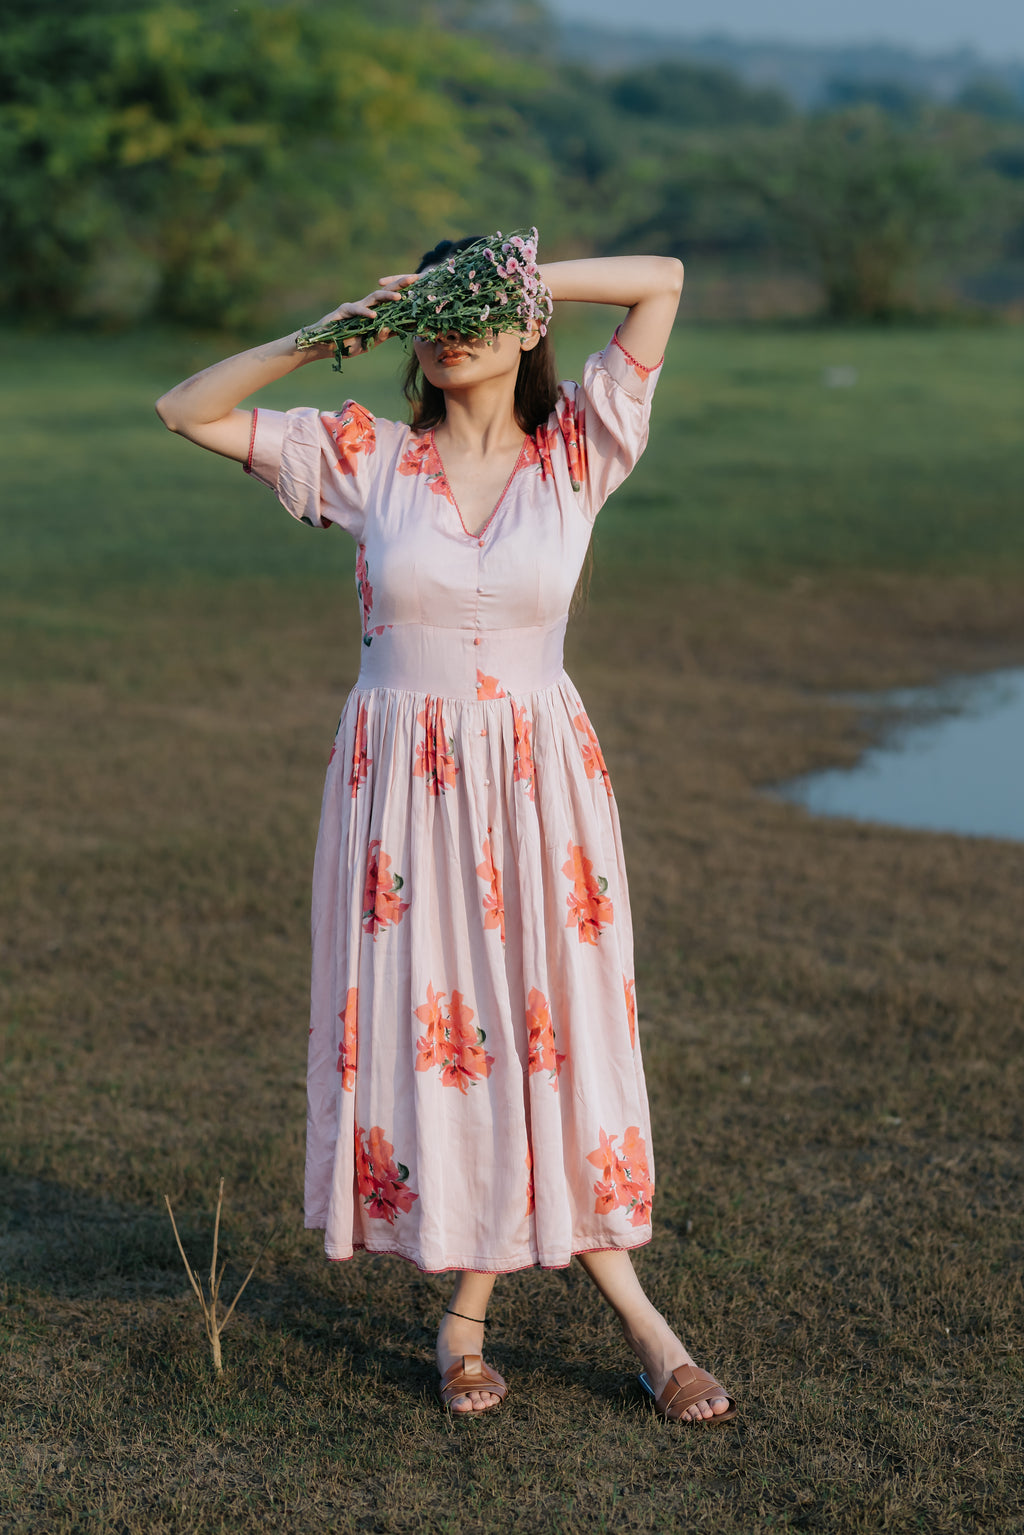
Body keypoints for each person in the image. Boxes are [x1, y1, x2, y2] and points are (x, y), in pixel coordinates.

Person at [155, 236, 736, 1425]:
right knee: (452, 1042)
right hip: (402, 795)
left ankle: (518, 1323)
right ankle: (610, 1328)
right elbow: (184, 407)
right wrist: (329, 337)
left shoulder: (581, 444)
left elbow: (661, 279)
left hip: (540, 789)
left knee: (549, 1035)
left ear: (525, 325)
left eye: (476, 307)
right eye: (435, 308)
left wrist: (516, 273)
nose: (451, 326)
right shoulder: (364, 455)